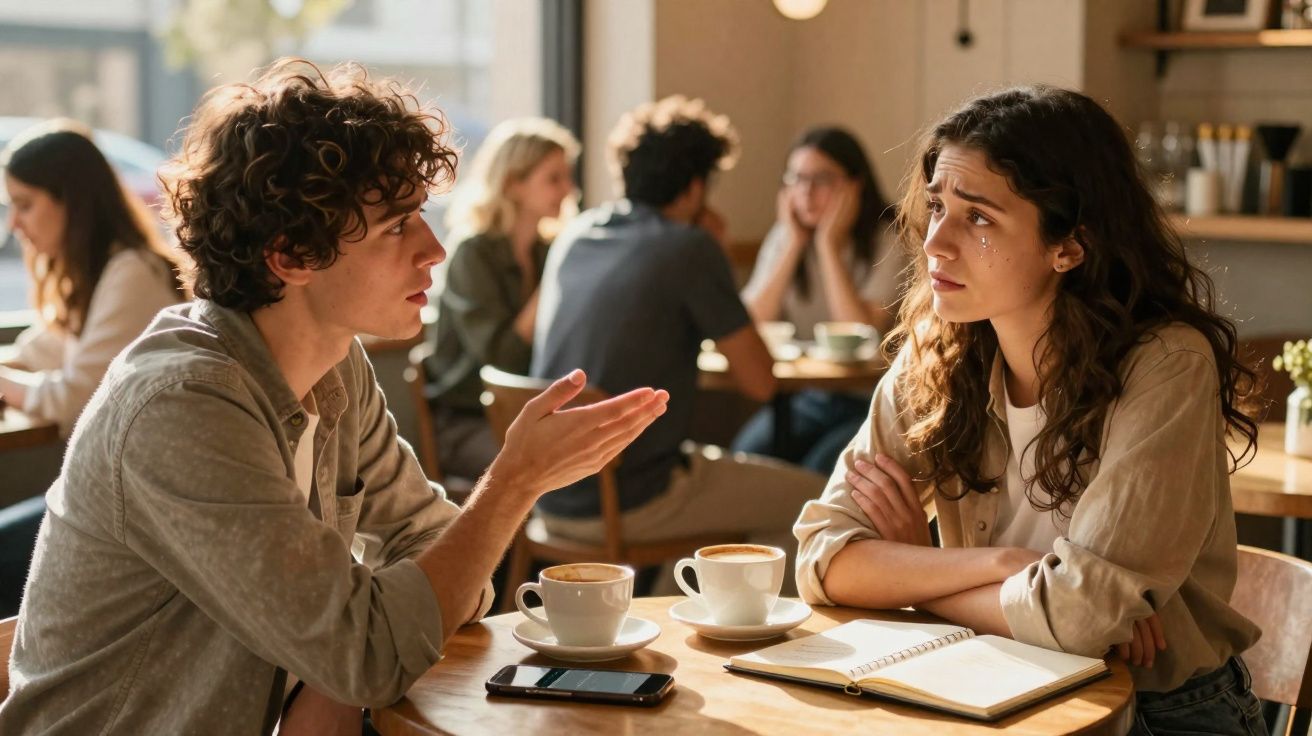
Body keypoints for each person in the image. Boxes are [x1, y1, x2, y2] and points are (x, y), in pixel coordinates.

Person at [0, 59, 667, 735]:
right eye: (397, 227)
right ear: (291, 256)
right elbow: (374, 648)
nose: (434, 249)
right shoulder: (181, 407)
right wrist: (513, 482)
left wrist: (350, 661)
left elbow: (429, 548)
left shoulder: (334, 366)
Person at [793, 86, 1266, 736]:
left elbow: (1078, 618)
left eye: (978, 218)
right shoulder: (938, 349)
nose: (934, 243)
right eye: (936, 206)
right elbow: (820, 561)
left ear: (1068, 246)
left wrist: (909, 575)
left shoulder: (1165, 363)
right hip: (984, 681)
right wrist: (1000, 570)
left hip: (1159, 713)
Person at [531, 96, 825, 580]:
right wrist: (712, 249)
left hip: (548, 493)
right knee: (818, 507)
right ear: (694, 187)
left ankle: (670, 604)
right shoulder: (686, 248)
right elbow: (760, 383)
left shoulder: (578, 234)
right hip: (631, 497)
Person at [733, 127, 905, 473]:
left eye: (822, 180)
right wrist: (794, 245)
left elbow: (859, 331)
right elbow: (748, 323)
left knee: (814, 476)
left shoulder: (889, 237)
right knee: (744, 459)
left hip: (870, 401)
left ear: (854, 185)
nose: (806, 193)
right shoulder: (787, 236)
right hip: (808, 396)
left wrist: (828, 247)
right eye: (797, 179)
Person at [0, 120, 184, 435]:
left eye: (25, 206)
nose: (13, 224)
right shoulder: (96, 272)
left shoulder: (134, 273)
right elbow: (39, 352)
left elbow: (79, 396)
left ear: (72, 203)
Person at [425, 117, 579, 481]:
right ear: (512, 183)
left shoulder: (546, 251)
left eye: (567, 176)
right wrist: (553, 281)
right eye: (554, 178)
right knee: (559, 469)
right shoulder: (472, 254)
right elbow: (503, 358)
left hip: (527, 418)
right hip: (466, 424)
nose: (569, 189)